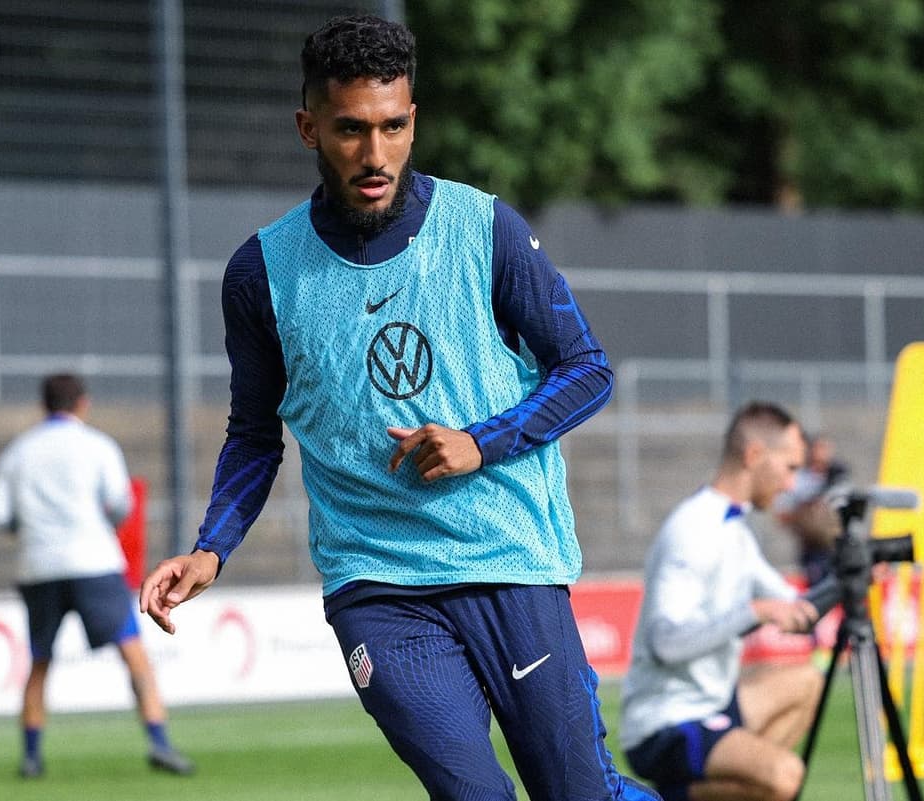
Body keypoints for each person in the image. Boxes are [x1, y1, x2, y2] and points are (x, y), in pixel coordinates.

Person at [138, 15, 656, 801]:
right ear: (308, 126)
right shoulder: (261, 274)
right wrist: (212, 547)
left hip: (511, 562)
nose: (374, 155)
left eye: (391, 127)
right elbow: (254, 434)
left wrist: (481, 443)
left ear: (414, 120)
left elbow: (586, 368)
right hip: (376, 587)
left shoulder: (486, 231)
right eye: (350, 130)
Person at [0, 373, 194, 778]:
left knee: (40, 660)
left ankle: (31, 758)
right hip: (93, 561)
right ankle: (160, 744)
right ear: (82, 403)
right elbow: (120, 504)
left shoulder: (18, 451)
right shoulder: (97, 445)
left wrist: (30, 529)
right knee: (133, 653)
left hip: (38, 565)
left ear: (44, 405)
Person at [621, 402, 823, 801]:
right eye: (790, 468)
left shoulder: (738, 532)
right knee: (784, 777)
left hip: (714, 704)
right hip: (665, 723)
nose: (790, 485)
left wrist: (852, 570)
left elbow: (796, 607)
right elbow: (666, 643)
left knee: (807, 681)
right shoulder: (691, 529)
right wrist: (755, 612)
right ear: (754, 456)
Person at [775, 433, 849, 587]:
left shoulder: (838, 478)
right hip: (812, 546)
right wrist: (807, 513)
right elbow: (783, 512)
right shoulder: (800, 479)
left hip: (836, 544)